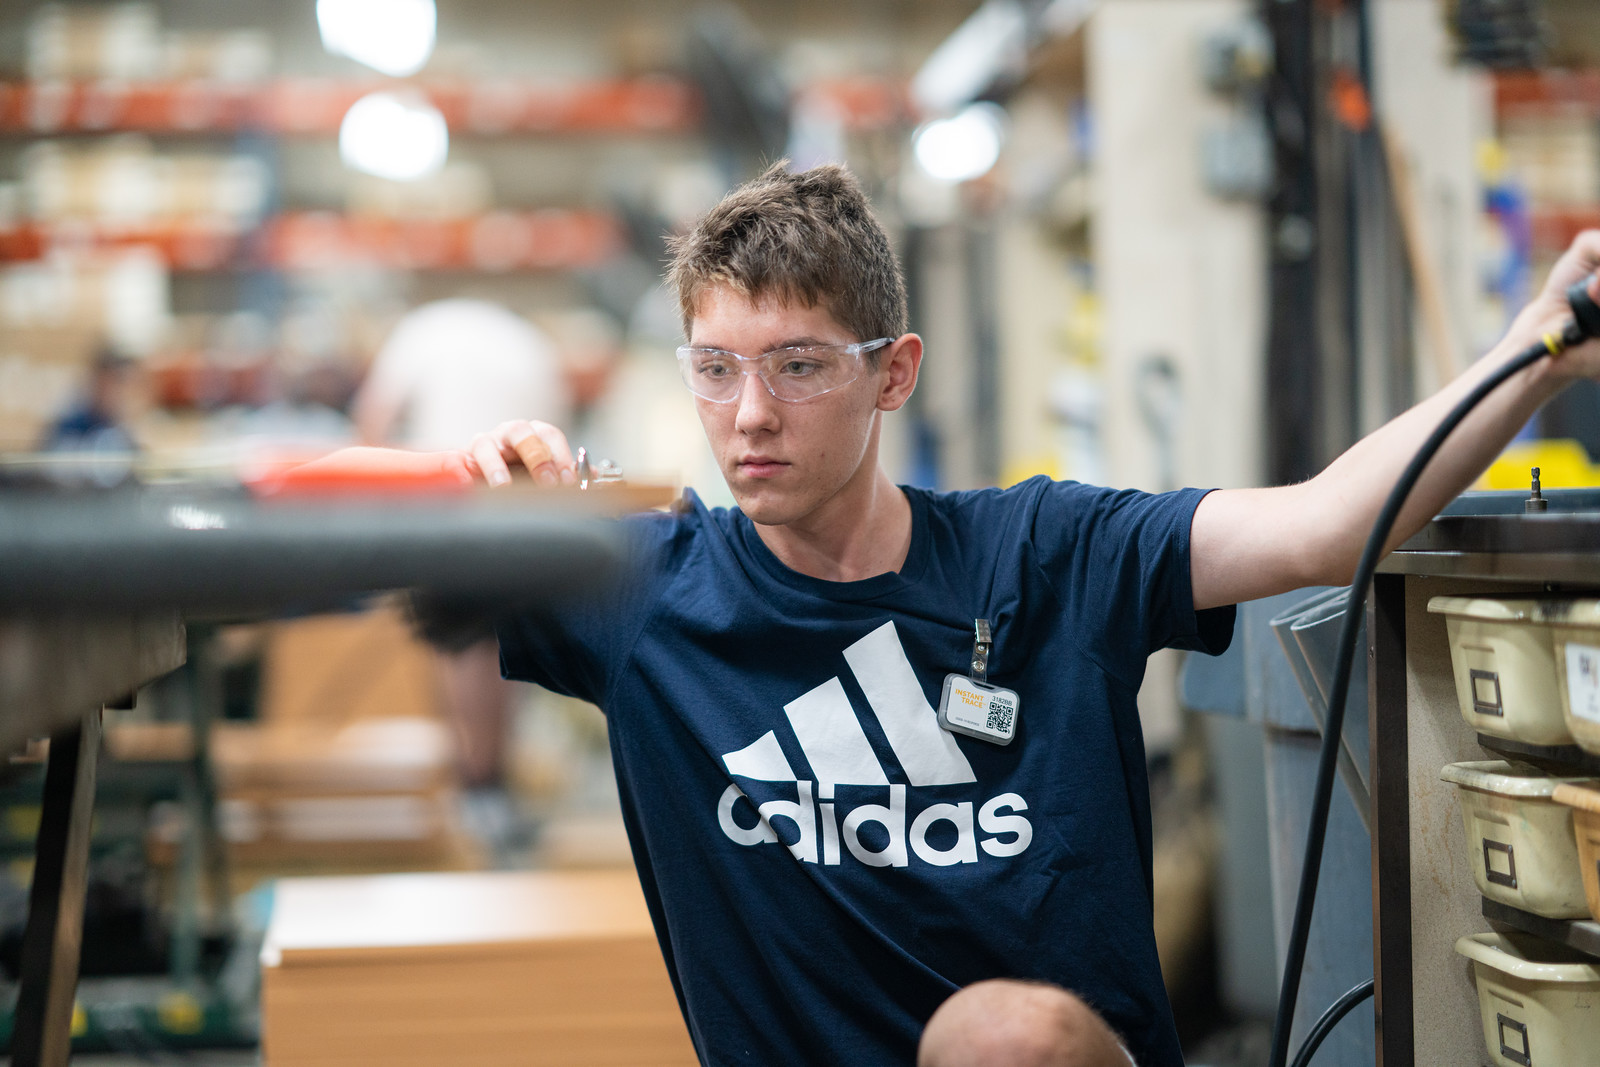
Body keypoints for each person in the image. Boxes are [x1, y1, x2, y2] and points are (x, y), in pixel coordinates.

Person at [456, 163, 1600, 1066]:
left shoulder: (1047, 553)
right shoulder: (641, 591)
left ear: (892, 372)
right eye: (715, 368)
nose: (749, 413)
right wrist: (473, 487)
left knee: (999, 1035)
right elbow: (362, 553)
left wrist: (1536, 350)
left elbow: (1324, 524)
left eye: (798, 365)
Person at [354, 299, 572, 791]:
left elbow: (373, 425)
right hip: (516, 513)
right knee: (505, 640)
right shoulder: (527, 340)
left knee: (458, 641)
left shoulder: (418, 332)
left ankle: (471, 777)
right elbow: (553, 445)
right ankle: (491, 777)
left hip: (445, 506)